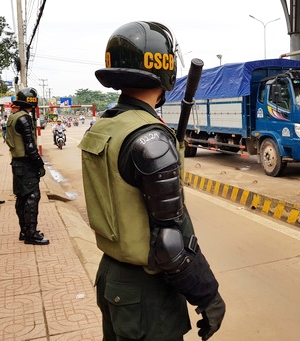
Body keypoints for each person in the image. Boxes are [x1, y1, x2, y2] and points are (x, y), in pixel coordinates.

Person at [78, 21, 225, 341]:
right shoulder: (150, 138)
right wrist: (207, 295)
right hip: (146, 293)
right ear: (166, 69)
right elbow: (169, 243)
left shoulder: (105, 125)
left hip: (111, 278)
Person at [5, 88, 49, 245]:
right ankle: (31, 234)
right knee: (32, 197)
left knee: (22, 197)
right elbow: (30, 146)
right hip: (26, 163)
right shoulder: (25, 118)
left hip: (16, 163)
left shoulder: (12, 118)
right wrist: (39, 163)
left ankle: (24, 230)